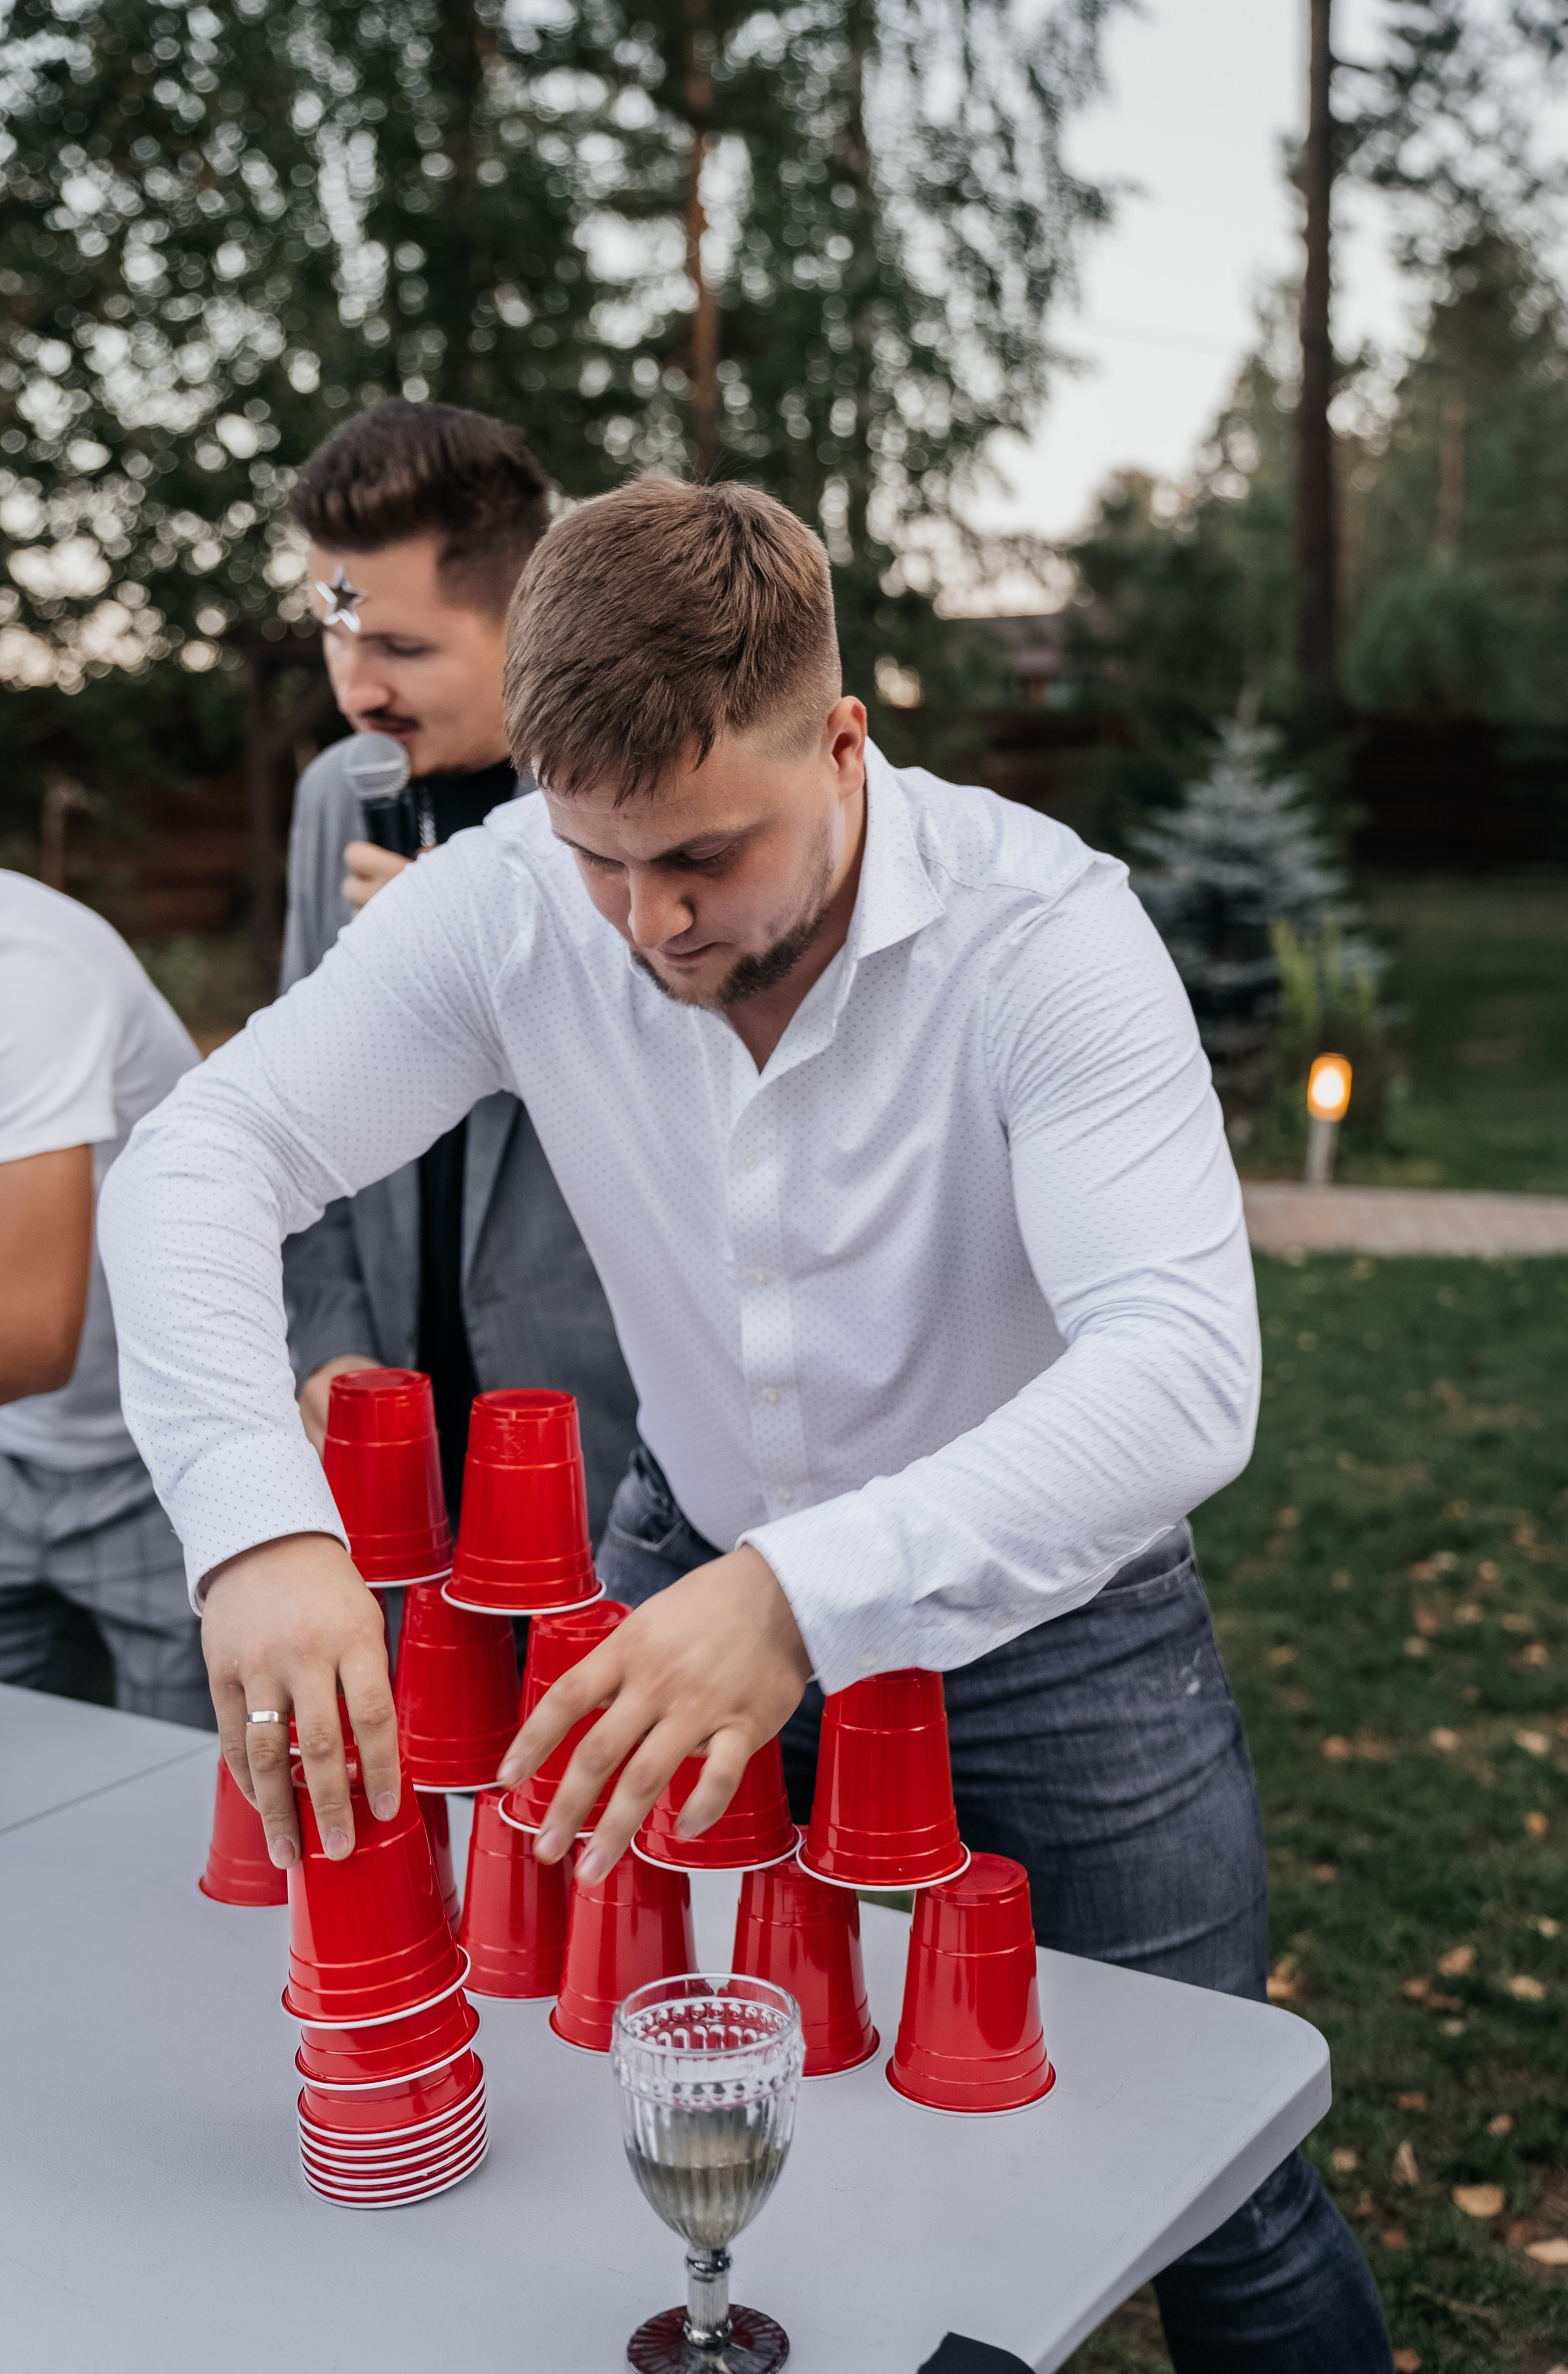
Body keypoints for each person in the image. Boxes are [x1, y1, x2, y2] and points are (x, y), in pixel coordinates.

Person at [102, 479, 1391, 2370]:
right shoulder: (524, 903)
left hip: (1059, 1639)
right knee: (646, 2101)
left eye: (705, 855)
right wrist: (256, 1520)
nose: (651, 923)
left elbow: (1184, 1369)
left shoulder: (1048, 935)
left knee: (1217, 2184)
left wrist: (804, 1595)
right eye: (603, 858)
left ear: (844, 741)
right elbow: (210, 1152)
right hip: (675, 1568)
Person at [277, 399, 637, 1528]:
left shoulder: (636, 786)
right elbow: (295, 1107)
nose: (355, 688)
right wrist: (329, 1341)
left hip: (604, 1435)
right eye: (336, 629)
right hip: (392, 1435)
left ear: (525, 620)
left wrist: (502, 966)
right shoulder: (337, 794)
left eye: (400, 646)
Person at [0, 870, 210, 1728]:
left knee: (186, 1811)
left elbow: (30, 1338)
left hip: (163, 1463)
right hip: (12, 1457)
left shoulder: (29, 966)